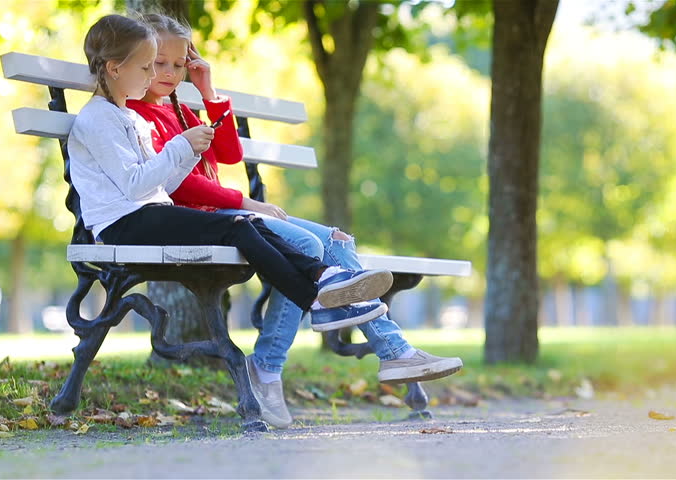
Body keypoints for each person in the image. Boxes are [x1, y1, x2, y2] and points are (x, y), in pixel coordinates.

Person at [126, 13, 464, 429]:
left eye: (179, 64)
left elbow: (229, 154)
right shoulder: (141, 117)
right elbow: (179, 187)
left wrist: (207, 90)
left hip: (231, 213)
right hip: (208, 220)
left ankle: (393, 354)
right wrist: (249, 203)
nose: (170, 73)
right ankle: (273, 366)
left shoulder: (180, 110)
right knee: (309, 245)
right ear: (140, 60)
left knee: (339, 242)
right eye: (159, 63)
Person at [69, 13, 401, 420]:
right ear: (113, 68)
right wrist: (179, 147)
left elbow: (165, 178)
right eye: (146, 67)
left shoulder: (129, 116)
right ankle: (317, 293)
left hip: (150, 213)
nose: (151, 75)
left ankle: (319, 283)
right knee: (237, 225)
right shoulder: (97, 118)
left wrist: (187, 148)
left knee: (243, 226)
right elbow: (134, 185)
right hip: (126, 225)